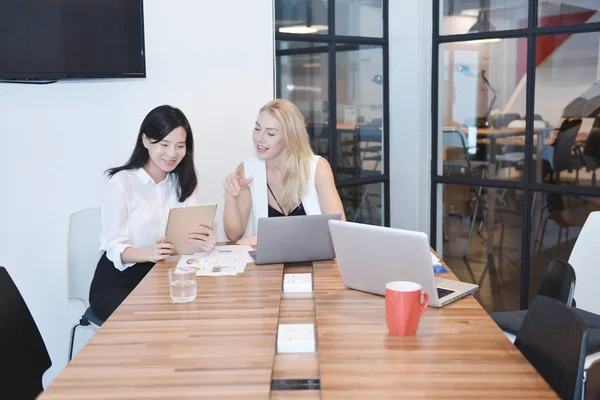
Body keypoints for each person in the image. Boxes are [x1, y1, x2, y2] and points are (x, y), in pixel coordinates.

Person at [89, 105, 217, 321]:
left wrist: (205, 240)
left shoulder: (183, 183)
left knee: (202, 309)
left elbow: (188, 240)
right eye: (164, 144)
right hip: (119, 282)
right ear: (146, 140)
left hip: (166, 277)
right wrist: (150, 254)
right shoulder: (122, 183)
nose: (172, 154)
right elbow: (114, 247)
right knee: (156, 321)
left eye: (180, 146)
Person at [222, 99, 345, 245]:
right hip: (269, 265)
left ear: (289, 138)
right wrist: (231, 196)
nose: (259, 138)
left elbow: (340, 230)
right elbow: (234, 235)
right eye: (257, 128)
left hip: (316, 262)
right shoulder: (247, 170)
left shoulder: (317, 168)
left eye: (271, 134)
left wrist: (273, 239)